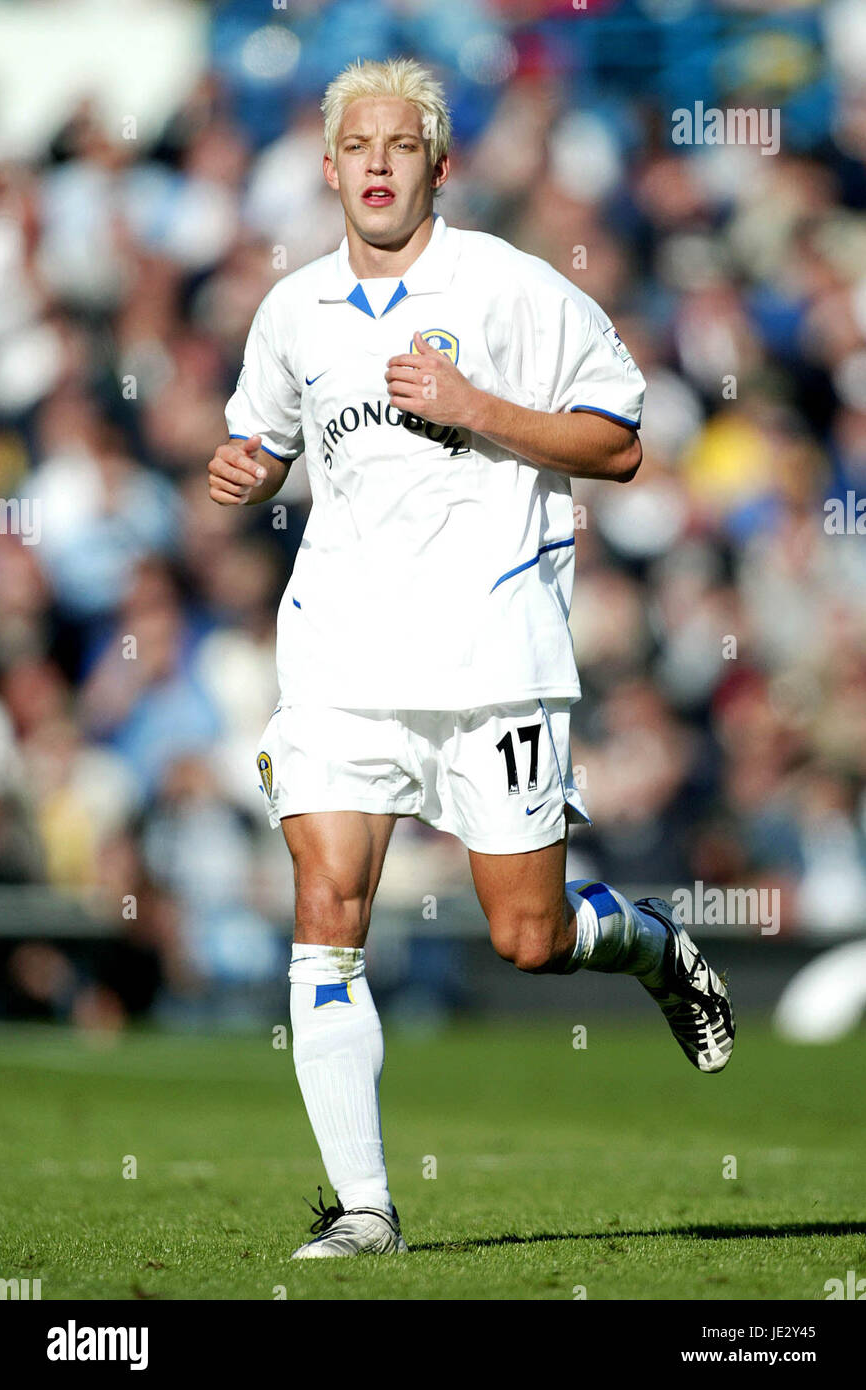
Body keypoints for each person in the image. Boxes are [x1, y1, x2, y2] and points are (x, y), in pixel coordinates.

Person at [207, 57, 735, 1260]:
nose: (378, 164)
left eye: (402, 146)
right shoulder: (291, 310)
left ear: (438, 168)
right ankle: (364, 1211)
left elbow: (618, 444)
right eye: (358, 147)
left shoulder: (508, 286)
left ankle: (647, 941)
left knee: (526, 937)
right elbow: (261, 438)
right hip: (337, 656)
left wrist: (475, 405)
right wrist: (242, 470)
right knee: (327, 912)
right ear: (331, 166)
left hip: (490, 652)